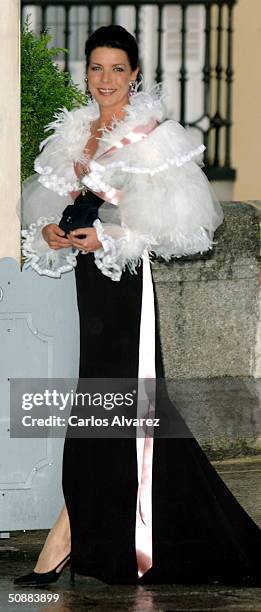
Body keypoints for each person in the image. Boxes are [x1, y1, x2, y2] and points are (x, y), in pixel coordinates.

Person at [15, 25, 261, 587]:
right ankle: (75, 530)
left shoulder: (151, 135)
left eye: (117, 69)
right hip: (89, 281)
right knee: (105, 409)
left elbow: (182, 229)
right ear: (87, 73)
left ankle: (65, 538)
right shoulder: (77, 131)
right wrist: (52, 232)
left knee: (118, 409)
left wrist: (112, 240)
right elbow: (53, 204)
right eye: (96, 68)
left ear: (135, 75)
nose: (105, 80)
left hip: (126, 287)